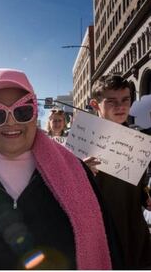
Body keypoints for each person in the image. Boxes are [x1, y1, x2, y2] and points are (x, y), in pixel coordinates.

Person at [0, 68, 121, 269]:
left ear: (34, 113)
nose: (11, 121)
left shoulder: (77, 173)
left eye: (22, 111)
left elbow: (107, 245)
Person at [85, 74, 151, 269]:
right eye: (111, 101)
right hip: (100, 236)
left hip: (134, 233)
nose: (120, 106)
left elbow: (138, 186)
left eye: (125, 100)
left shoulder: (138, 141)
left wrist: (145, 196)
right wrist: (80, 170)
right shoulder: (82, 141)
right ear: (95, 105)